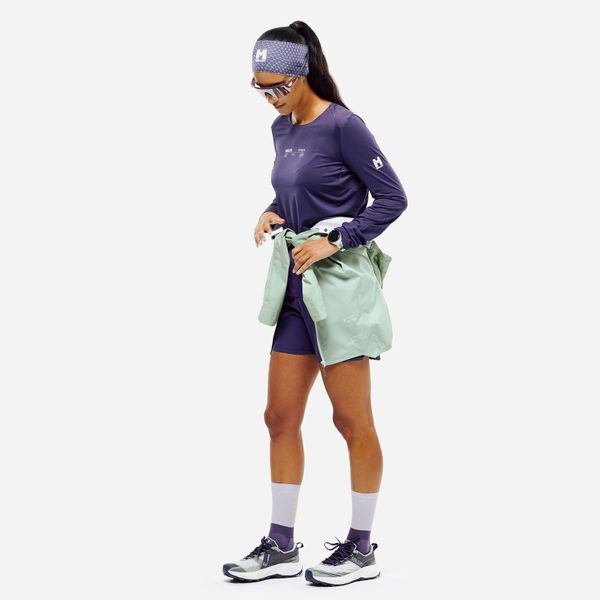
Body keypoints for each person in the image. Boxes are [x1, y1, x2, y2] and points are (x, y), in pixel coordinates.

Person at [222, 21, 408, 586]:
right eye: (260, 89)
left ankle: (361, 549)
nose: (270, 98)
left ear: (302, 75)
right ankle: (281, 546)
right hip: (295, 291)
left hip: (341, 291)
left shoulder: (345, 126)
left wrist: (338, 239)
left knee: (351, 420)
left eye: (277, 86)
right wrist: (272, 208)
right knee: (279, 416)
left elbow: (393, 198)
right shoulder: (282, 128)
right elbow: (299, 186)